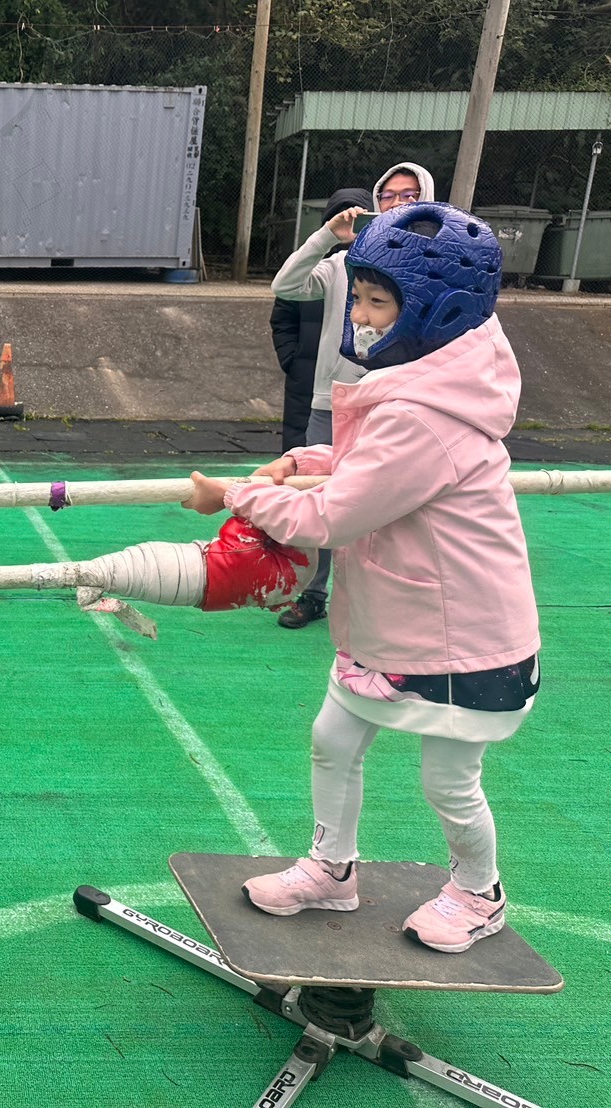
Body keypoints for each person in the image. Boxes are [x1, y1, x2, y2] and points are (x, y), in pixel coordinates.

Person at [187, 202, 539, 954]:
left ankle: (479, 893)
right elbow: (363, 467)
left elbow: (331, 518)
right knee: (334, 737)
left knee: (449, 780)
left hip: (463, 637)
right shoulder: (429, 381)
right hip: (398, 621)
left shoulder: (427, 413)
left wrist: (236, 494)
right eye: (360, 296)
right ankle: (330, 869)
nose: (360, 316)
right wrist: (299, 461)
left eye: (378, 301)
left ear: (437, 313)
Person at [270, 165, 435, 629]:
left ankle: (389, 598)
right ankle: (313, 592)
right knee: (323, 496)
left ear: (427, 201)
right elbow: (285, 286)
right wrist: (328, 236)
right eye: (389, 195)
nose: (398, 203)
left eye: (410, 195)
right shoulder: (345, 262)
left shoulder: (436, 267)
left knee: (399, 507)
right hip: (335, 401)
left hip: (402, 402)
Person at [268, 190, 372, 452]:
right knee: (301, 454)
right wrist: (293, 359)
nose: (350, 227)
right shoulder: (322, 266)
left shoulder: (380, 271)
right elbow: (283, 310)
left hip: (356, 384)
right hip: (308, 377)